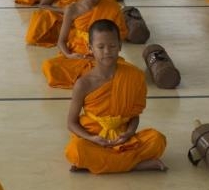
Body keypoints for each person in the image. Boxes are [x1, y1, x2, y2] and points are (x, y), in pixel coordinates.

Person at [65, 20, 168, 174]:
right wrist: (92, 139)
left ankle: (98, 164)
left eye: (112, 46)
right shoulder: (83, 84)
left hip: (123, 139)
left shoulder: (134, 76)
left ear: (119, 46)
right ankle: (134, 165)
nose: (107, 51)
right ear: (90, 48)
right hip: (95, 138)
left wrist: (129, 133)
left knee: (157, 139)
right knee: (76, 150)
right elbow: (71, 123)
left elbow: (134, 115)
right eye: (100, 47)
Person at [41, 0, 129, 89]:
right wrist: (69, 55)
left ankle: (92, 79)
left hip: (104, 55)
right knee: (49, 66)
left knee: (122, 71)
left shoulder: (113, 8)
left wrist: (104, 53)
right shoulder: (72, 9)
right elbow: (61, 41)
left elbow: (119, 39)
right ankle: (95, 79)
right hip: (78, 55)